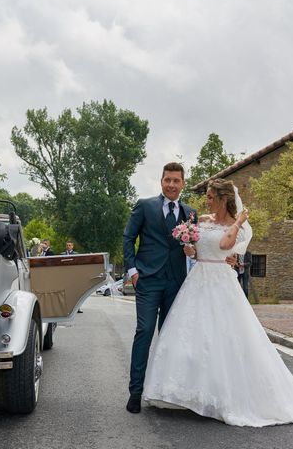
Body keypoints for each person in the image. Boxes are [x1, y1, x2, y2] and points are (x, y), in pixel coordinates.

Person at [143, 179, 293, 429]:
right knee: (190, 336)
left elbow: (224, 246)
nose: (206, 200)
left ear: (222, 198)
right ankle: (184, 393)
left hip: (221, 282)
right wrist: (190, 250)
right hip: (197, 280)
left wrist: (239, 221)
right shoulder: (202, 220)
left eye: (209, 196)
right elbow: (200, 250)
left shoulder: (236, 226)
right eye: (206, 196)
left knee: (224, 338)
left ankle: (221, 396)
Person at [122, 162, 199, 413]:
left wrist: (192, 250)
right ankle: (135, 391)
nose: (172, 185)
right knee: (144, 331)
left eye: (176, 181)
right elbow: (128, 237)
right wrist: (132, 270)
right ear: (161, 181)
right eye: (168, 180)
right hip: (147, 280)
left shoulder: (190, 213)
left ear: (183, 184)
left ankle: (165, 390)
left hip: (176, 281)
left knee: (169, 337)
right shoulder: (145, 206)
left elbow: (194, 249)